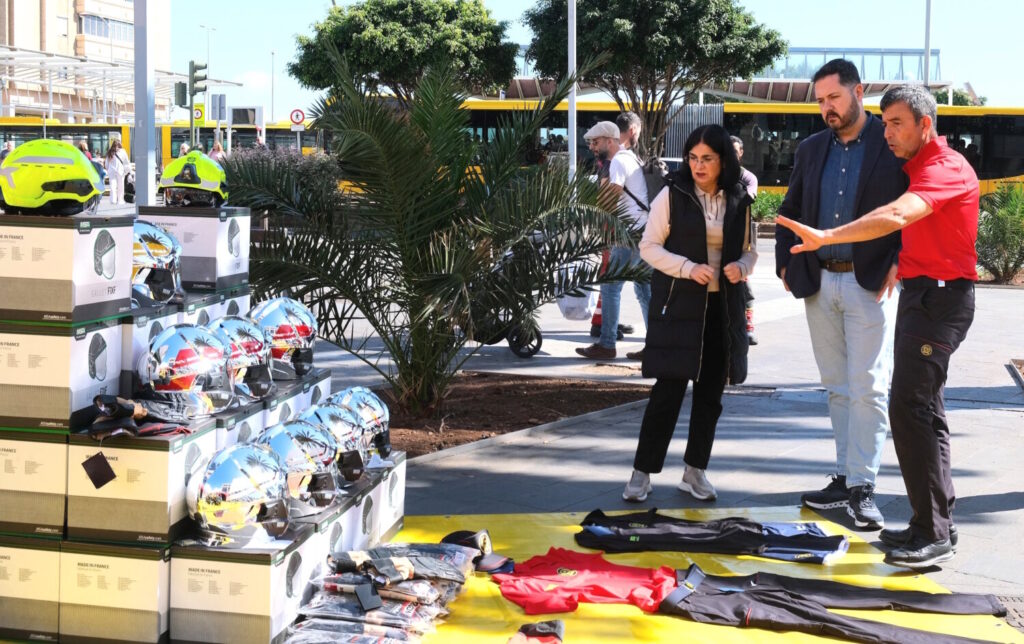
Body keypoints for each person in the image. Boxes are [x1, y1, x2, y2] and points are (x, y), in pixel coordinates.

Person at [777, 84, 980, 569]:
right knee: (924, 410)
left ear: (924, 125)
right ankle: (933, 523)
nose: (886, 133)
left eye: (896, 124)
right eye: (884, 123)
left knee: (908, 407)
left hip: (940, 299)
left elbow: (896, 214)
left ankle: (932, 532)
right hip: (922, 294)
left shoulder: (944, 167)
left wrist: (829, 235)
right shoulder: (919, 165)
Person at [775, 59, 905, 531]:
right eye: (819, 101)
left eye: (833, 97)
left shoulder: (891, 143)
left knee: (868, 384)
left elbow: (912, 208)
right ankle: (847, 478)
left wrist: (900, 259)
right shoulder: (811, 149)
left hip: (870, 283)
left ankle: (864, 487)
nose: (826, 108)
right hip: (819, 281)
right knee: (837, 387)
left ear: (858, 91)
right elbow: (790, 206)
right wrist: (786, 264)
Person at [622, 124, 756, 503]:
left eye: (707, 159)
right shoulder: (673, 194)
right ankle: (641, 474)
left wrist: (741, 268)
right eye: (693, 158)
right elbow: (648, 247)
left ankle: (695, 472)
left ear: (723, 161)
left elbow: (750, 250)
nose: (698, 166)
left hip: (721, 310)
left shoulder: (739, 197)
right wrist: (687, 268)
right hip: (678, 307)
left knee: (710, 397)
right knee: (667, 393)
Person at [575, 121, 651, 360]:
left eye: (595, 143)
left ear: (610, 140)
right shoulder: (631, 157)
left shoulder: (617, 161)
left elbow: (610, 198)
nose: (592, 148)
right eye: (590, 143)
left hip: (629, 234)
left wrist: (596, 227)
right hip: (643, 231)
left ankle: (607, 344)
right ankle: (656, 345)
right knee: (644, 290)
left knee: (610, 287)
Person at [731, 135, 759, 346]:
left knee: (744, 283)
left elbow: (747, 197)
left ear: (741, 153)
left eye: (735, 151)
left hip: (742, 239)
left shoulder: (747, 177)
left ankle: (748, 327)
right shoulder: (715, 175)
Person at [104, 139, 130, 205]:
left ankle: (113, 200)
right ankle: (120, 200)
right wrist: (127, 171)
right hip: (120, 171)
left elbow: (106, 163)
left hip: (112, 171)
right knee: (120, 186)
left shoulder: (110, 152)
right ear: (120, 145)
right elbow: (126, 162)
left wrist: (108, 169)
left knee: (113, 186)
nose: (116, 148)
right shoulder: (123, 151)